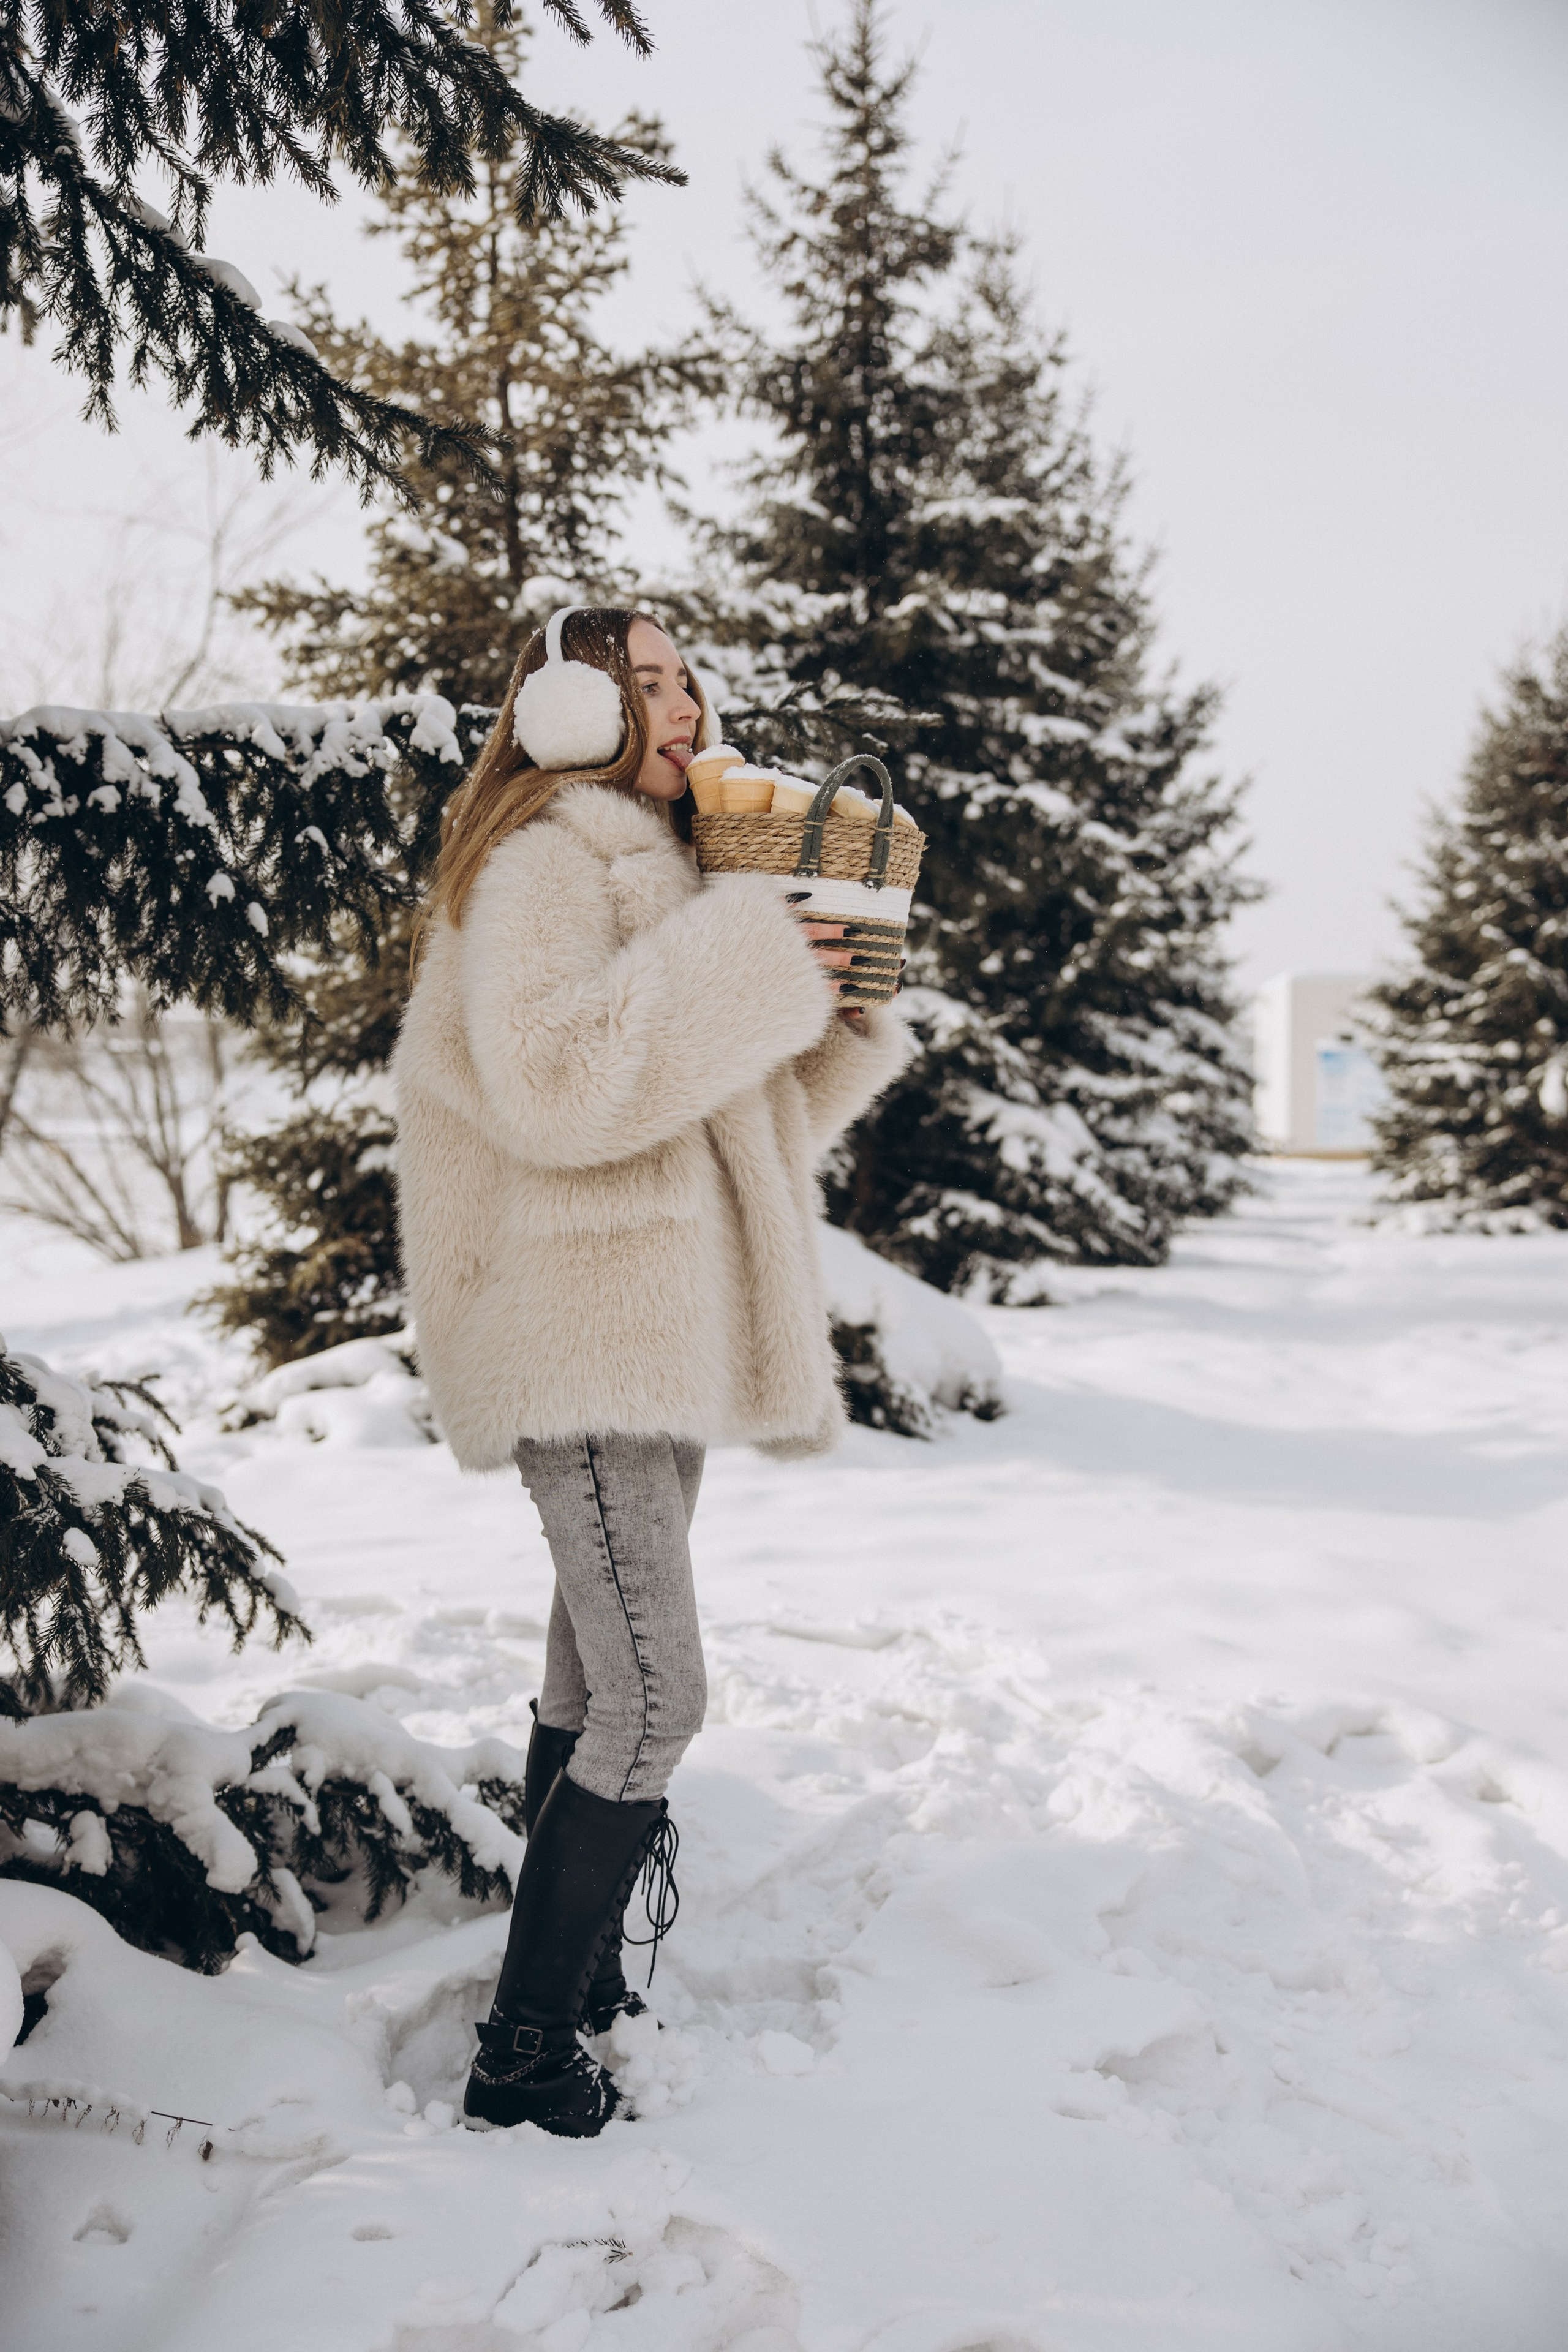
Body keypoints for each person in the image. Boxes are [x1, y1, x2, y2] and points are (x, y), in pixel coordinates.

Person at [393, 606, 908, 2136]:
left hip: (653, 1321)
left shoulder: (672, 872)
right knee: (655, 1691)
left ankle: (585, 1976)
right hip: (580, 1326)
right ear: (568, 711)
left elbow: (732, 1133)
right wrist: (749, 953)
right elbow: (559, 1087)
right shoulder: (546, 861)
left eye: (691, 680)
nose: (686, 706)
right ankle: (522, 2050)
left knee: (591, 1671)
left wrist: (832, 1015)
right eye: (649, 683)